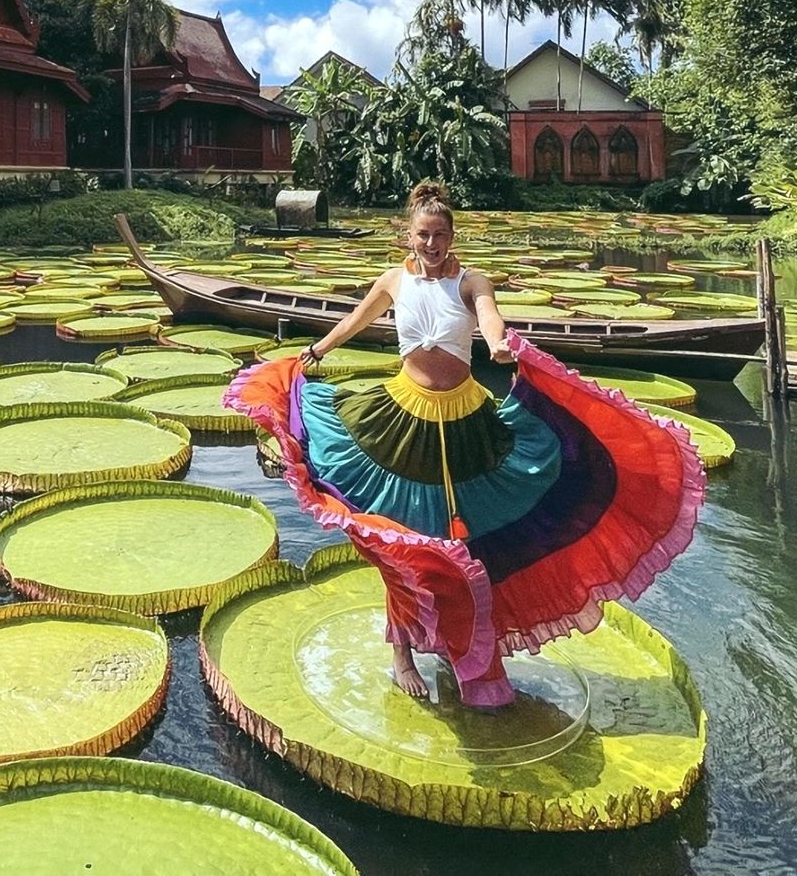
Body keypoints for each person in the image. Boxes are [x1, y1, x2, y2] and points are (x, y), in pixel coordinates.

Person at [227, 180, 704, 706]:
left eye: (440, 235)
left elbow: (490, 316)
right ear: (408, 235)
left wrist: (499, 343)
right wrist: (316, 351)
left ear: (452, 237)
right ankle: (403, 653)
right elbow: (356, 320)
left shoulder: (471, 281)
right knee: (401, 543)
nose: (431, 244)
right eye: (422, 235)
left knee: (471, 547)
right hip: (401, 422)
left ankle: (467, 652)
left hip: (466, 424)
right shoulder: (393, 280)